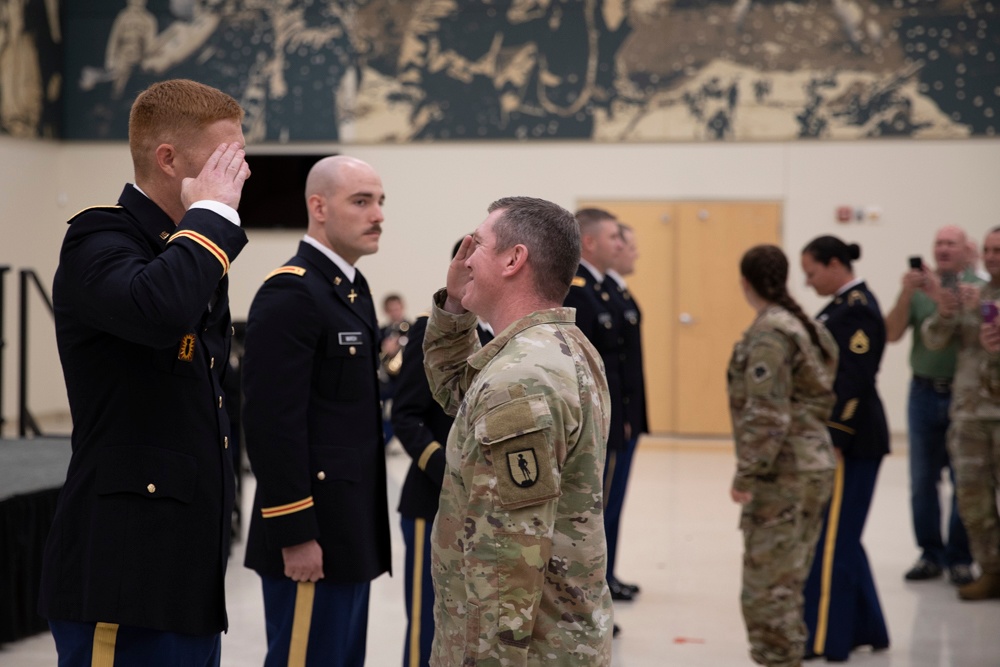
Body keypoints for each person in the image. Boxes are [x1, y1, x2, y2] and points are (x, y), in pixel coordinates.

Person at [38, 79, 250, 665]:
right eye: (226, 158)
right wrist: (210, 214)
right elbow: (155, 311)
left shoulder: (187, 249)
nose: (243, 174)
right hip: (123, 570)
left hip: (183, 572)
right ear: (169, 159)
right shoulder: (98, 237)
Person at [423, 196, 614, 665]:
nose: (464, 258)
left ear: (514, 259)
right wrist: (453, 304)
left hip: (523, 650)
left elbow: (506, 562)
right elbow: (457, 395)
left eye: (477, 245)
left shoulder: (521, 378)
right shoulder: (554, 349)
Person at [241, 155, 392, 666]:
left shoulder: (350, 290)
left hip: (348, 529)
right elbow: (270, 424)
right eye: (362, 201)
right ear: (319, 207)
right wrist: (295, 532)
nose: (378, 215)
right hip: (312, 538)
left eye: (380, 201)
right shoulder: (292, 291)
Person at [728, 244, 838, 667]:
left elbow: (767, 414)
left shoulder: (772, 333)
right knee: (788, 583)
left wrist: (746, 475)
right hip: (810, 466)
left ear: (745, 282)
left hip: (784, 473)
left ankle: (780, 658)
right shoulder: (801, 323)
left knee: (767, 593)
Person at [391, 241, 493, 667]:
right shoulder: (429, 329)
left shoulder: (507, 336)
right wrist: (450, 470)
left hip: (485, 509)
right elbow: (406, 415)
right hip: (431, 500)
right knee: (427, 622)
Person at [800, 235, 890, 662]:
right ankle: (869, 627)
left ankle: (825, 639)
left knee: (832, 540)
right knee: (844, 535)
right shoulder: (840, 306)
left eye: (812, 271)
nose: (807, 280)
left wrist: (836, 435)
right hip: (850, 440)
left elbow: (854, 379)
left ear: (835, 264)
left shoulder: (858, 310)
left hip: (851, 442)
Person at [883, 225, 976, 586]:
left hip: (964, 397)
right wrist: (907, 294)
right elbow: (890, 333)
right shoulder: (919, 290)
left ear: (967, 250)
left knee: (963, 479)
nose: (943, 249)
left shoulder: (976, 290)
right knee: (922, 481)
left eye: (951, 243)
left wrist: (946, 301)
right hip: (922, 394)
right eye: (938, 243)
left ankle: (960, 557)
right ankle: (929, 554)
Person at [922, 226, 1000, 601]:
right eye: (987, 250)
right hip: (970, 416)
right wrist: (947, 311)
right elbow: (935, 340)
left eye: (998, 250)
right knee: (973, 500)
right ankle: (991, 570)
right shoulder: (972, 296)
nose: (991, 257)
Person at [563, 207, 632, 603]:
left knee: (608, 507)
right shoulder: (579, 290)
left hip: (614, 415)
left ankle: (600, 584)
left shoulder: (603, 289)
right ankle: (589, 590)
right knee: (593, 512)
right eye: (613, 238)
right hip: (596, 419)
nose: (620, 245)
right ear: (588, 242)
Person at [603, 221, 648, 600]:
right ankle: (599, 579)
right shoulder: (589, 292)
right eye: (619, 240)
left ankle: (607, 574)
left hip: (624, 415)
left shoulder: (614, 290)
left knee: (613, 505)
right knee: (601, 508)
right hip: (610, 417)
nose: (627, 249)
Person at [379, 293, 411, 444]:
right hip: (388, 381)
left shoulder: (413, 328)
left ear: (402, 307)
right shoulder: (382, 332)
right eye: (391, 310)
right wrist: (385, 350)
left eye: (397, 309)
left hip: (406, 379)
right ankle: (385, 440)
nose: (395, 313)